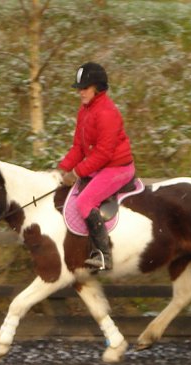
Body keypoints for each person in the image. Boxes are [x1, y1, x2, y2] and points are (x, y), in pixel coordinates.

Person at [58, 62, 135, 271]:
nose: (80, 92)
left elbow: (104, 153)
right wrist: (61, 169)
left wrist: (76, 172)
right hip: (99, 166)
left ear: (98, 88)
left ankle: (103, 254)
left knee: (84, 201)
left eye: (85, 88)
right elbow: (78, 147)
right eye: (79, 88)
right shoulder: (84, 111)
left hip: (117, 168)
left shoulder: (107, 113)